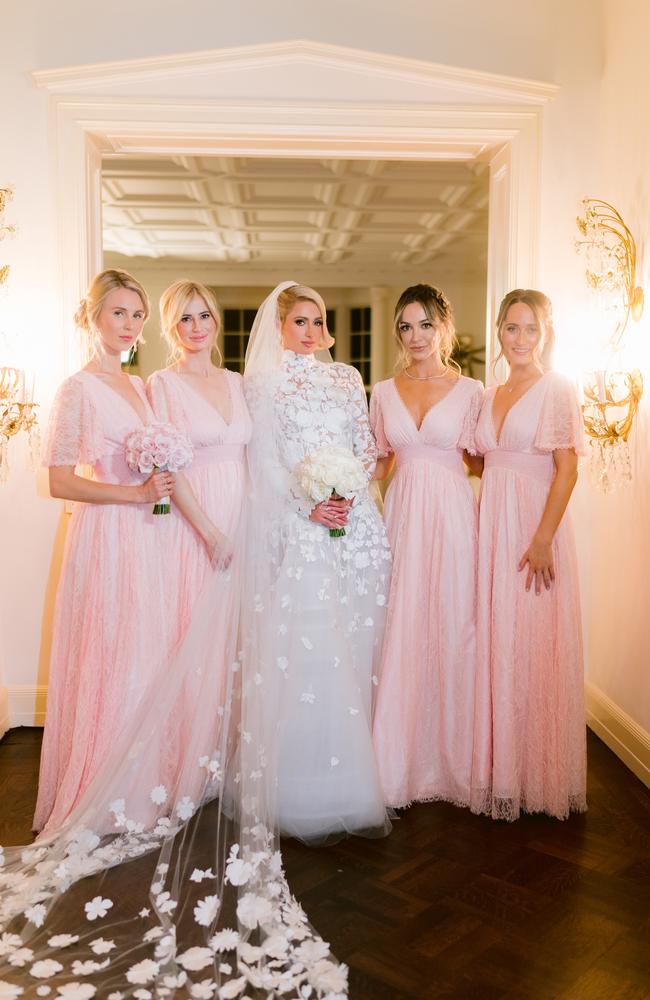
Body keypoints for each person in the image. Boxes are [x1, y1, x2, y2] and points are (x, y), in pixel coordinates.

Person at [243, 281, 392, 843]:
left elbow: (366, 447)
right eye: (299, 321)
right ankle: (304, 786)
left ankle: (361, 770)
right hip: (302, 526)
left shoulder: (348, 378)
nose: (309, 331)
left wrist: (348, 491)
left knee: (357, 640)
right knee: (310, 647)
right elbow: (265, 461)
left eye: (317, 320)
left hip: (356, 526)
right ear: (279, 326)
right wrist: (311, 504)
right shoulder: (262, 384)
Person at [33, 268, 176, 833]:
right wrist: (134, 493)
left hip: (146, 536)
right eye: (119, 312)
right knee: (109, 652)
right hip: (106, 534)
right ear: (93, 317)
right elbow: (60, 482)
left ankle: (140, 784)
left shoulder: (141, 386)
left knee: (144, 653)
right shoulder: (77, 388)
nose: (130, 325)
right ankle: (100, 789)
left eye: (137, 315)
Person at [470, 289, 587, 821]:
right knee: (498, 642)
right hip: (492, 529)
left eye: (530, 329)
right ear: (499, 332)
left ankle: (539, 776)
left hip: (532, 533)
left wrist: (542, 539)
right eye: (511, 328)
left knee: (533, 644)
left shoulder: (556, 389)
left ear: (545, 334)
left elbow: (567, 469)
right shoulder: (487, 394)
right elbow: (481, 462)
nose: (520, 339)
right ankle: (502, 770)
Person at [370, 283, 483, 808]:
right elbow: (378, 463)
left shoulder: (472, 392)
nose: (415, 336)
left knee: (453, 624)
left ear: (443, 326)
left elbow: (484, 463)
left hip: (455, 517)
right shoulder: (383, 391)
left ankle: (454, 760)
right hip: (402, 517)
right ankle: (400, 762)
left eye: (424, 325)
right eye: (405, 326)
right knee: (402, 625)